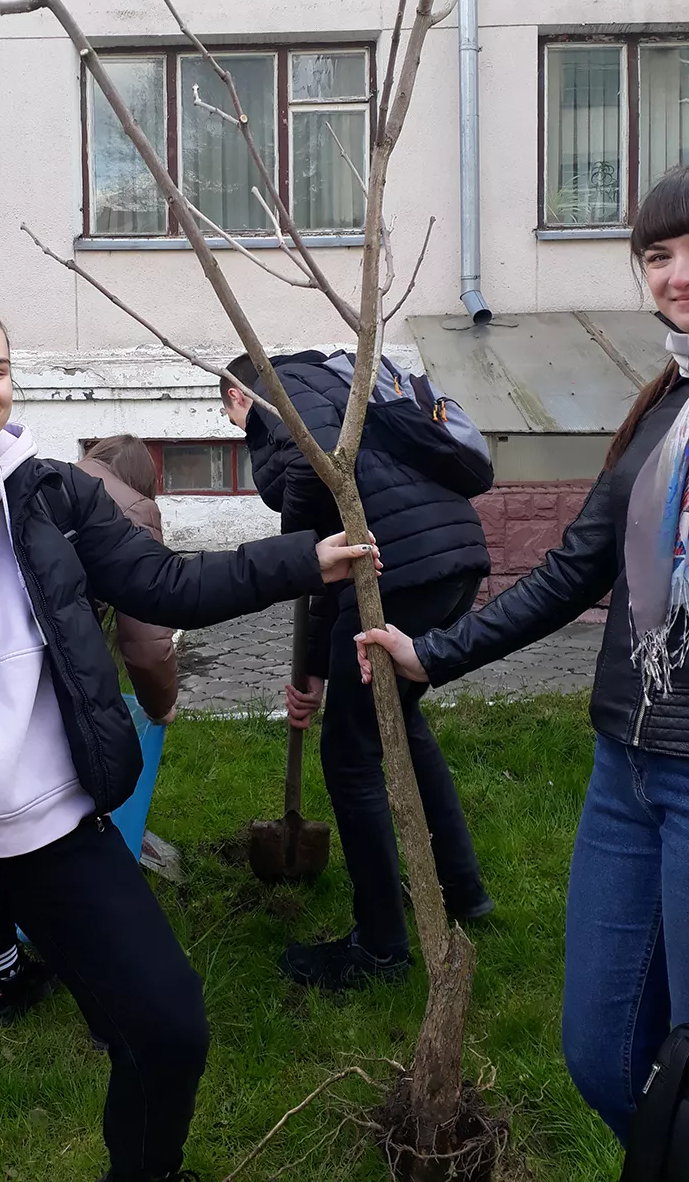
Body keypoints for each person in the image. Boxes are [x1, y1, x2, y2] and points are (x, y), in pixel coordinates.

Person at [0, 298, 379, 1182]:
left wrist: (301, 558)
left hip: (63, 831)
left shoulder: (52, 492)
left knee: (167, 1029)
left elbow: (165, 582)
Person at [357, 162, 689, 1142]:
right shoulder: (678, 393)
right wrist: (436, 655)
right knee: (603, 1057)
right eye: (658, 253)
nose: (680, 272)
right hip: (624, 775)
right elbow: (579, 563)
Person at [221, 348, 494, 991]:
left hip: (396, 568)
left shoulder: (277, 389)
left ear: (234, 397)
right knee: (398, 721)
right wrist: (314, 667)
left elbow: (321, 469)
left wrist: (297, 552)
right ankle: (462, 890)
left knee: (349, 757)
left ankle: (379, 948)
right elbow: (337, 528)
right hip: (445, 558)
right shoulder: (339, 382)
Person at [0, 433, 180, 1026]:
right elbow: (148, 637)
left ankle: (0, 962)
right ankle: (106, 996)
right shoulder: (132, 509)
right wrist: (160, 705)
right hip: (40, 683)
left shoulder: (47, 481)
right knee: (62, 831)